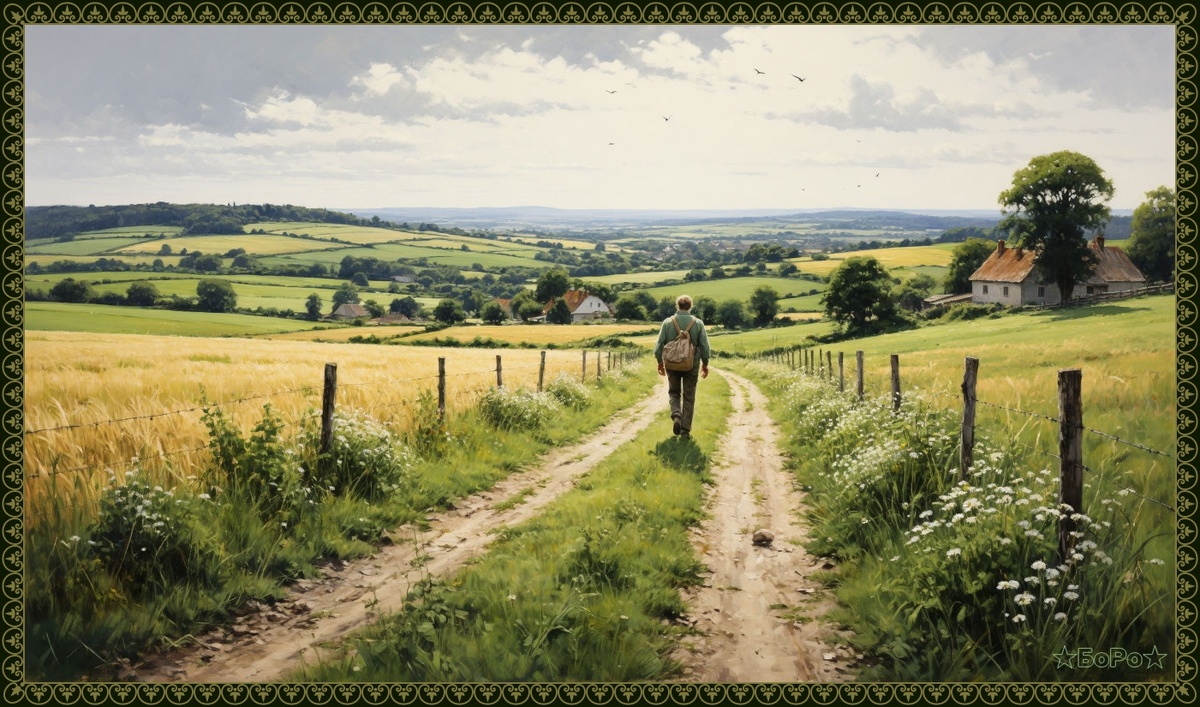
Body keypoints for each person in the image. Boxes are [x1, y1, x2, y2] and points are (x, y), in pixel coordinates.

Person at [654, 294, 711, 438]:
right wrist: (705, 363)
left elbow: (659, 345)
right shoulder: (697, 323)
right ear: (690, 307)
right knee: (689, 396)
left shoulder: (667, 323)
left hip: (672, 364)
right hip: (691, 365)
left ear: (677, 306)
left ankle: (676, 415)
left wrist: (660, 362)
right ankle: (685, 430)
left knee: (674, 392)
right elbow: (705, 346)